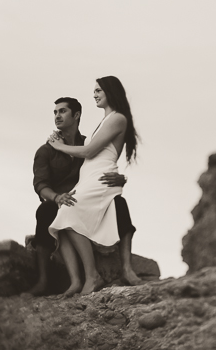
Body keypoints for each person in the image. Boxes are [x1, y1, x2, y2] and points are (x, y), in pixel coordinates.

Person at [48, 76, 142, 295]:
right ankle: (82, 279)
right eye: (94, 91)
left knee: (68, 211)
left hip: (102, 178)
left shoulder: (118, 118)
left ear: (111, 91)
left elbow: (89, 152)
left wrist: (58, 146)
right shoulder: (105, 121)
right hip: (90, 178)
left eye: (99, 90)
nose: (95, 94)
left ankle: (92, 277)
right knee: (62, 219)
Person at [26, 96, 129, 296]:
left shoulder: (88, 143)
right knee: (46, 211)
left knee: (119, 202)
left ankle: (128, 269)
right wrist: (56, 197)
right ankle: (43, 280)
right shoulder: (46, 151)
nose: (57, 116)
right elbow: (40, 185)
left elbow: (104, 164)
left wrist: (120, 179)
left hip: (88, 198)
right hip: (60, 200)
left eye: (62, 111)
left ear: (77, 115)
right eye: (55, 112)